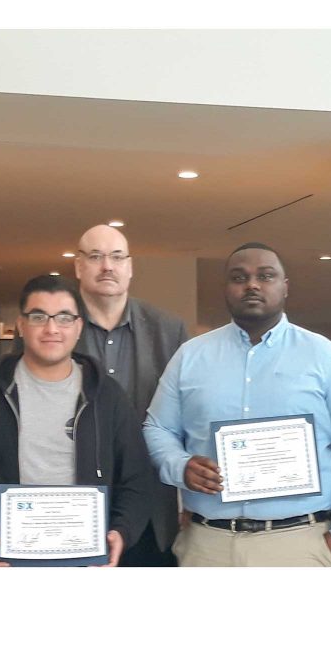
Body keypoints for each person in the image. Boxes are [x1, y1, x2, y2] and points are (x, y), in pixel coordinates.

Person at [143, 243, 331, 566]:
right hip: (208, 544)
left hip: (299, 544)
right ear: (225, 288)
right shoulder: (190, 356)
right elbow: (158, 427)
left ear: (285, 287)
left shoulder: (325, 357)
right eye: (239, 277)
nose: (252, 285)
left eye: (266, 276)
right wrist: (179, 466)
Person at [0, 274, 152, 566]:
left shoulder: (107, 395)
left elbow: (137, 478)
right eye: (39, 317)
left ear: (79, 327)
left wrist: (121, 531)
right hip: (7, 558)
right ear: (21, 325)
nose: (52, 328)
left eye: (64, 318)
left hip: (87, 559)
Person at [73, 224, 189, 566]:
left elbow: (187, 417)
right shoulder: (55, 327)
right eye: (96, 256)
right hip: (72, 505)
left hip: (152, 510)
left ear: (130, 266)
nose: (107, 266)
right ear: (78, 266)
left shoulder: (168, 329)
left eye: (117, 257)